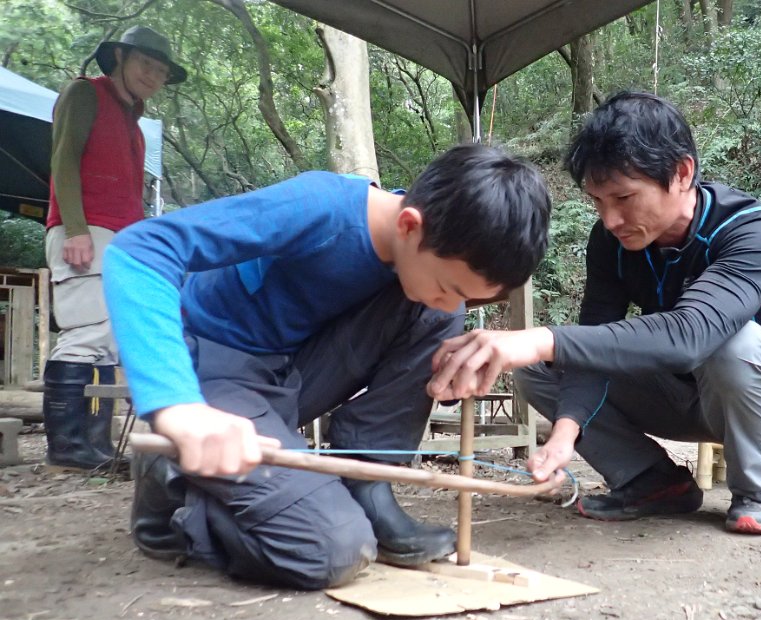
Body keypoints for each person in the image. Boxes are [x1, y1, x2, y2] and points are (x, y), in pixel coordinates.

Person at [102, 143, 550, 590]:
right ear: (410, 226)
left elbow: (431, 309)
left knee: (436, 315)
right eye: (448, 286)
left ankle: (363, 481)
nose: (453, 304)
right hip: (218, 369)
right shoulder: (320, 208)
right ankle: (175, 486)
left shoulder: (421, 255)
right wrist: (177, 406)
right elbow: (141, 249)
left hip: (286, 373)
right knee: (333, 550)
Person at [427, 92, 761, 535]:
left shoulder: (752, 229)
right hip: (675, 395)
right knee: (538, 367)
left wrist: (538, 337)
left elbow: (689, 336)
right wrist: (565, 434)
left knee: (734, 342)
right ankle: (652, 482)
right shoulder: (611, 242)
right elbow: (593, 344)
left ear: (682, 173)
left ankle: (755, 494)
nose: (610, 219)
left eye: (624, 197)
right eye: (597, 201)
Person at [44, 26, 186, 471]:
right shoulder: (85, 93)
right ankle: (67, 447)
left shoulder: (135, 123)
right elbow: (64, 158)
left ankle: (95, 445)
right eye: (146, 64)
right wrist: (75, 229)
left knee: (106, 340)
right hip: (86, 228)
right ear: (120, 57)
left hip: (122, 239)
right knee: (85, 332)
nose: (153, 75)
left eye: (161, 71)